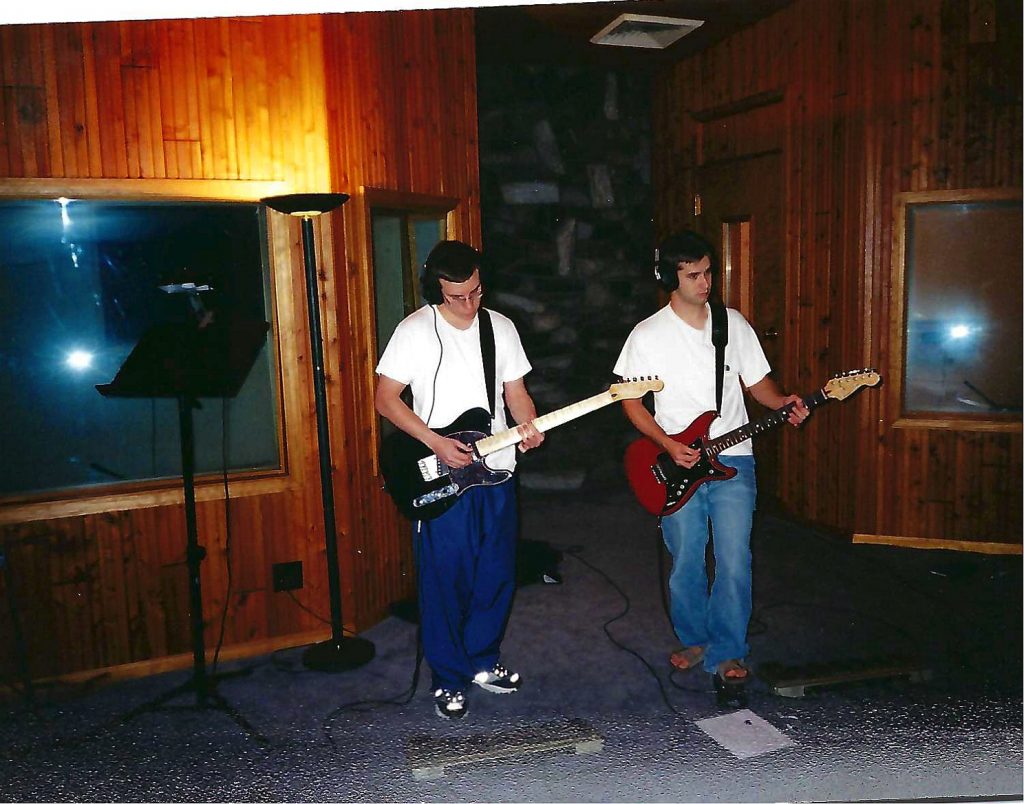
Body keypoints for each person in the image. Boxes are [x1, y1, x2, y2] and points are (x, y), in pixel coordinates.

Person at [613, 229, 809, 692]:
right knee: (686, 562)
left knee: (735, 559)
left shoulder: (732, 324)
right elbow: (631, 401)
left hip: (733, 457)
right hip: (676, 461)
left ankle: (727, 650)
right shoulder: (647, 335)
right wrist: (664, 442)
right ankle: (696, 638)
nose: (705, 283)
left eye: (708, 273)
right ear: (668, 278)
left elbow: (758, 383)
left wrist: (783, 402)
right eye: (693, 275)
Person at [375, 240, 544, 720]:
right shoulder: (413, 331)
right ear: (437, 290)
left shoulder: (501, 328)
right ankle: (448, 677)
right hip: (440, 470)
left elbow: (517, 394)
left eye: (476, 293)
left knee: (496, 571)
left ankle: (483, 661)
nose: (469, 305)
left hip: (497, 467)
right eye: (456, 297)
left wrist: (528, 425)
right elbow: (385, 398)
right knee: (444, 578)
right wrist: (433, 442)